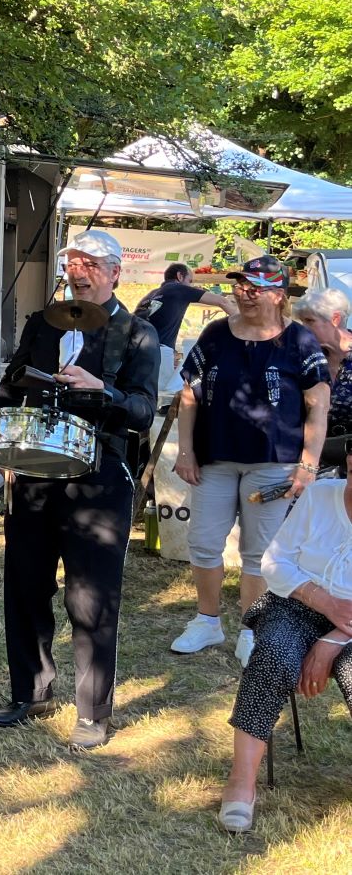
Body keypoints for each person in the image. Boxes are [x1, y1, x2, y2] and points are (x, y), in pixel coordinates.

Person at [0, 229, 159, 750]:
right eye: (73, 263)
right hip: (35, 472)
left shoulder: (138, 334)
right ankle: (30, 691)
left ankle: (92, 712)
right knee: (26, 585)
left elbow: (144, 411)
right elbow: (10, 385)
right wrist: (6, 431)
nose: (79, 272)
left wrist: (101, 390)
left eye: (91, 264)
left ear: (114, 273)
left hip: (98, 477)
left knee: (91, 598)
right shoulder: (43, 324)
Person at [172, 256, 329, 667]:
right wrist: (185, 450)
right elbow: (188, 395)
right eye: (240, 285)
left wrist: (308, 463)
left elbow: (318, 405)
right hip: (215, 458)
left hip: (273, 463)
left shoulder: (299, 340)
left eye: (255, 287)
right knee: (204, 543)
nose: (244, 293)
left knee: (258, 553)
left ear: (279, 295)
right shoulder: (215, 334)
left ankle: (250, 629)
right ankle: (207, 621)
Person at [217, 463, 352, 832]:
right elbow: (274, 562)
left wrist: (331, 642)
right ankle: (242, 783)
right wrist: (322, 601)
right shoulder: (321, 496)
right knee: (273, 656)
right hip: (297, 603)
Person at [133, 263, 236, 397]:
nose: (190, 286)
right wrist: (244, 322)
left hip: (137, 349)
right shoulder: (179, 289)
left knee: (143, 393)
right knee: (163, 395)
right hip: (159, 351)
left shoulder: (151, 294)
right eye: (190, 281)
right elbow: (223, 302)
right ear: (180, 276)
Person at [292, 287, 352, 458]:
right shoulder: (303, 358)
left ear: (335, 319)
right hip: (310, 460)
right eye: (302, 322)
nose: (303, 328)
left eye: (310, 321)